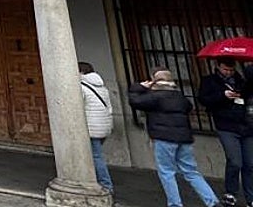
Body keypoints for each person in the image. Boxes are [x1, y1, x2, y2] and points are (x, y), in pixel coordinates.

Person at [129, 69, 220, 207]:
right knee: (191, 172)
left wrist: (139, 87)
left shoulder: (155, 97)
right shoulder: (180, 97)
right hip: (184, 138)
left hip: (164, 138)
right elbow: (189, 107)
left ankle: (175, 204)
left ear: (154, 81)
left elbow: (134, 101)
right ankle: (212, 201)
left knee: (167, 172)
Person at [200, 57, 253, 207]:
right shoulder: (210, 81)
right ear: (218, 67)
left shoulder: (241, 80)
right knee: (235, 161)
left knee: (250, 163)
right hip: (226, 125)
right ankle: (231, 192)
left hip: (246, 125)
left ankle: (251, 197)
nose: (228, 73)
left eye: (231, 70)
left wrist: (241, 94)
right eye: (225, 69)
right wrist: (223, 96)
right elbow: (204, 100)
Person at [79, 62, 114, 195]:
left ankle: (106, 185)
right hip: (103, 126)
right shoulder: (101, 87)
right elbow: (109, 108)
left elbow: (77, 107)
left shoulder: (82, 87)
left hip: (91, 127)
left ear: (81, 73)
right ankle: (90, 179)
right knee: (95, 155)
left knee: (96, 157)